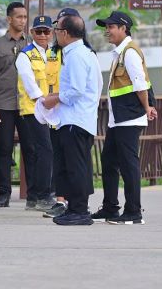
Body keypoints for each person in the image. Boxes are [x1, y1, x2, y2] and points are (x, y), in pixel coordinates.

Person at [92, 11, 157, 224]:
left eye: (110, 27)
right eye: (106, 27)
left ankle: (133, 212)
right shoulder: (119, 53)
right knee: (109, 161)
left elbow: (140, 84)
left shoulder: (129, 52)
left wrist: (147, 107)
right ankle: (110, 208)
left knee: (129, 164)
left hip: (129, 118)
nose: (107, 31)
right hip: (118, 118)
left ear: (123, 28)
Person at [42, 14, 103, 226]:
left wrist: (53, 99)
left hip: (75, 119)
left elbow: (76, 90)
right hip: (81, 117)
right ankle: (77, 208)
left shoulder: (76, 56)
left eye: (57, 31)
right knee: (76, 166)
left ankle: (79, 210)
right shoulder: (86, 54)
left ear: (65, 33)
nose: (55, 34)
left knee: (75, 167)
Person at [0, 1, 34, 208]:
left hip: (27, 105)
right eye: (19, 17)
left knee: (31, 149)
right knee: (3, 150)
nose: (23, 20)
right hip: (4, 105)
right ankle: (3, 193)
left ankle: (34, 194)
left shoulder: (31, 43)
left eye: (25, 17)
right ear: (9, 19)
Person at [15, 15, 59, 212]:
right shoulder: (25, 55)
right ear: (32, 32)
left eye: (46, 31)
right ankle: (42, 195)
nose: (43, 35)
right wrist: (43, 101)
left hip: (53, 111)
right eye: (38, 31)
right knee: (44, 151)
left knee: (45, 152)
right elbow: (28, 81)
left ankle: (34, 196)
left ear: (52, 33)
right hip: (33, 110)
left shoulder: (56, 54)